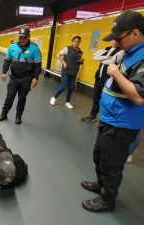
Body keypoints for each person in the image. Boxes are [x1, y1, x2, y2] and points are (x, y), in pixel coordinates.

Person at [81, 10, 144, 212]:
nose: (115, 43)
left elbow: (138, 96)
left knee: (112, 163)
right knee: (99, 155)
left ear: (135, 33)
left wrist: (115, 72)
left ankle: (108, 199)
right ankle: (101, 185)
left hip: (122, 123)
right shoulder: (130, 52)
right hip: (110, 118)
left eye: (119, 38)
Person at [0, 26, 42, 125]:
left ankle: (18, 116)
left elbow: (38, 65)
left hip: (26, 79)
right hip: (14, 78)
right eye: (20, 37)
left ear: (29, 37)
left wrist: (35, 78)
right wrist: (4, 72)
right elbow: (7, 61)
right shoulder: (12, 47)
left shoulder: (34, 49)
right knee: (9, 97)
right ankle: (4, 114)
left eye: (24, 37)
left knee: (22, 98)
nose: (22, 40)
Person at [82, 41, 124, 122]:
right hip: (99, 77)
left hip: (107, 79)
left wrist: (102, 58)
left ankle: (104, 119)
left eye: (116, 40)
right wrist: (107, 57)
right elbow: (95, 57)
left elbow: (110, 62)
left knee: (105, 100)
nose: (114, 42)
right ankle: (92, 115)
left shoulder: (120, 51)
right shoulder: (106, 48)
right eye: (113, 40)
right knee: (96, 97)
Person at [50, 36, 84, 109]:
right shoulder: (67, 48)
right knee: (63, 86)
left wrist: (81, 62)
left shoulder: (80, 52)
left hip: (74, 72)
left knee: (71, 88)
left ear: (79, 42)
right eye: (75, 41)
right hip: (66, 72)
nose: (76, 43)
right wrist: (63, 63)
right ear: (72, 41)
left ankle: (67, 102)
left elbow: (78, 60)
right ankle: (54, 97)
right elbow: (58, 55)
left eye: (78, 41)